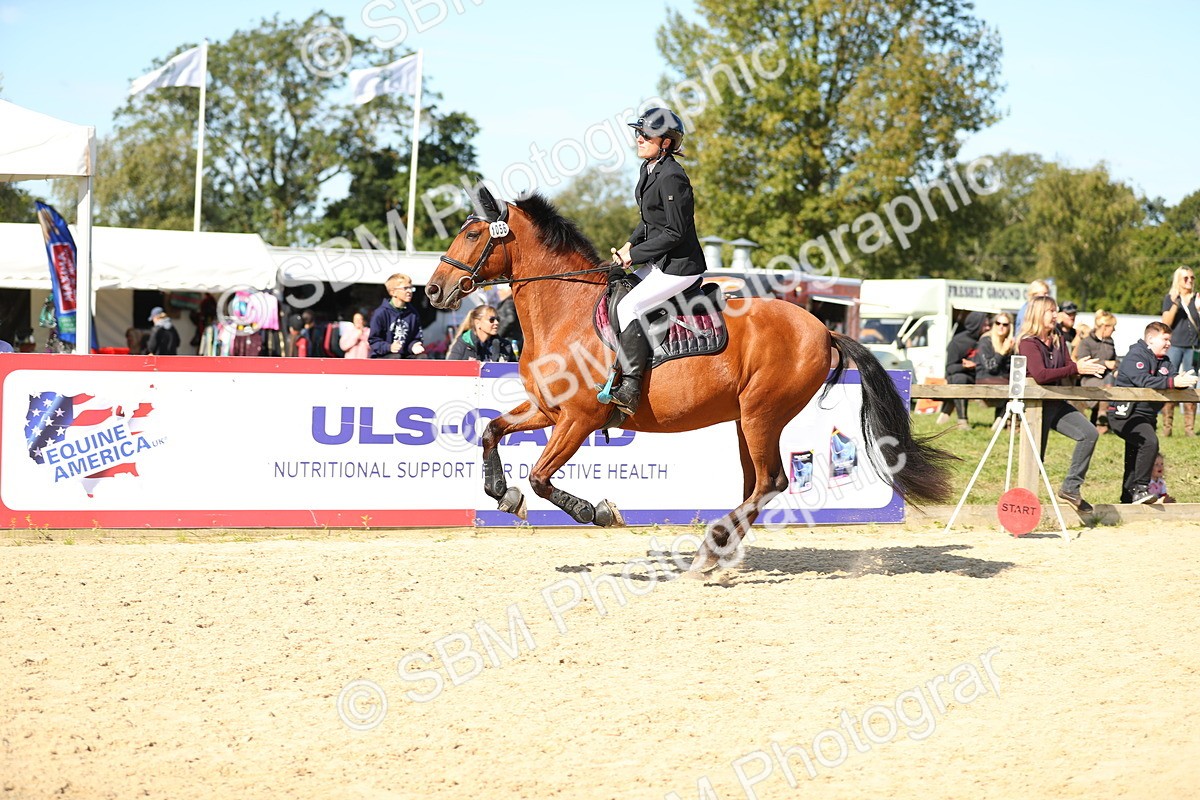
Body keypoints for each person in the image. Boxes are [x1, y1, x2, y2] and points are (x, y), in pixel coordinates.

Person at [606, 107, 706, 416]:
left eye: (645, 134)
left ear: (665, 142)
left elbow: (674, 231)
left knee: (629, 306)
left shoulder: (673, 176)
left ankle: (631, 387)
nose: (638, 138)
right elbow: (649, 221)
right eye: (638, 133)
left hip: (680, 266)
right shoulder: (649, 169)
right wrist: (628, 245)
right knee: (613, 284)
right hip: (660, 260)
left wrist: (634, 256)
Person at [1016, 295, 1106, 513]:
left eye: (1056, 311)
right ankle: (1022, 510)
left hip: (1056, 403)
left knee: (1089, 434)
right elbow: (1041, 375)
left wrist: (1081, 367)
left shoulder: (1057, 338)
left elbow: (1066, 366)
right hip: (1035, 408)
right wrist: (1076, 368)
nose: (1056, 315)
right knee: (1036, 460)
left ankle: (1070, 488)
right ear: (1038, 314)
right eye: (1051, 311)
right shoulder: (1028, 343)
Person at [1107, 321, 1197, 504]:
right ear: (1150, 339)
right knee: (1149, 443)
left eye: (1169, 340)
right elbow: (1143, 380)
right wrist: (1172, 383)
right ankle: (1141, 489)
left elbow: (1172, 379)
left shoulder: (1164, 360)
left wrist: (1182, 382)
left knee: (1134, 457)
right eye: (1165, 339)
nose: (1169, 343)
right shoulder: (1135, 355)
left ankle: (1128, 499)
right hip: (1126, 414)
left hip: (1147, 416)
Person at [1160, 265, 1198, 436]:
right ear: (1178, 280)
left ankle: (1189, 429)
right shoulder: (1170, 298)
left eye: (1192, 278)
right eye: (1186, 278)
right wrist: (1176, 303)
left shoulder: (1197, 298)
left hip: (1193, 348)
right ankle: (1167, 427)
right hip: (1174, 346)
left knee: (1191, 384)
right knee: (1170, 382)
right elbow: (1166, 323)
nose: (1189, 281)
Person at [937, 311, 988, 429]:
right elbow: (949, 368)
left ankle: (1003, 421)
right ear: (976, 325)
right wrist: (964, 366)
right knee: (960, 378)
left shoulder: (987, 339)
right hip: (962, 376)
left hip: (982, 374)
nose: (988, 328)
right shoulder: (957, 342)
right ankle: (962, 421)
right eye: (985, 325)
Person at [1076, 310, 1118, 431]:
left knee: (1111, 380)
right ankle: (1102, 420)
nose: (1114, 330)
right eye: (1113, 327)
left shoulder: (1110, 342)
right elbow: (1082, 362)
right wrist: (1105, 363)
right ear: (1105, 327)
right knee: (1108, 383)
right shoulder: (1086, 342)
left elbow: (1115, 360)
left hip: (1107, 378)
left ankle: (1104, 417)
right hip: (1090, 378)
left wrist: (1117, 367)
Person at [369, 273, 425, 359]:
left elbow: (416, 337)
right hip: (384, 356)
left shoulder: (413, 313)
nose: (409, 291)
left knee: (422, 357)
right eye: (405, 288)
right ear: (393, 292)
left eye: (411, 288)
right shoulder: (381, 313)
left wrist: (414, 345)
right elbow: (374, 340)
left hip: (405, 355)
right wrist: (389, 347)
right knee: (395, 357)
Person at [975, 312, 1015, 429]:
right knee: (1014, 389)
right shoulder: (985, 341)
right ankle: (1000, 423)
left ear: (1010, 327)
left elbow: (1010, 368)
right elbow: (990, 367)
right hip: (985, 379)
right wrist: (1002, 352)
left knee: (1019, 387)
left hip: (1003, 379)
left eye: (1005, 324)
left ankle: (1001, 421)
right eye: (998, 323)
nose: (1001, 326)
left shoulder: (1010, 343)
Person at [447, 305, 518, 362]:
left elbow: (513, 372)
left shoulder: (505, 345)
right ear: (477, 323)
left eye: (497, 319)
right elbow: (450, 369)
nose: (496, 323)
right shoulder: (463, 343)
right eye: (492, 320)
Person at [494, 285, 523, 356]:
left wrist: (499, 334)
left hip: (510, 339)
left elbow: (510, 319)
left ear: (508, 291)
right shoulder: (511, 301)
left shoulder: (509, 302)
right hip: (515, 339)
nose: (498, 292)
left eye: (500, 290)